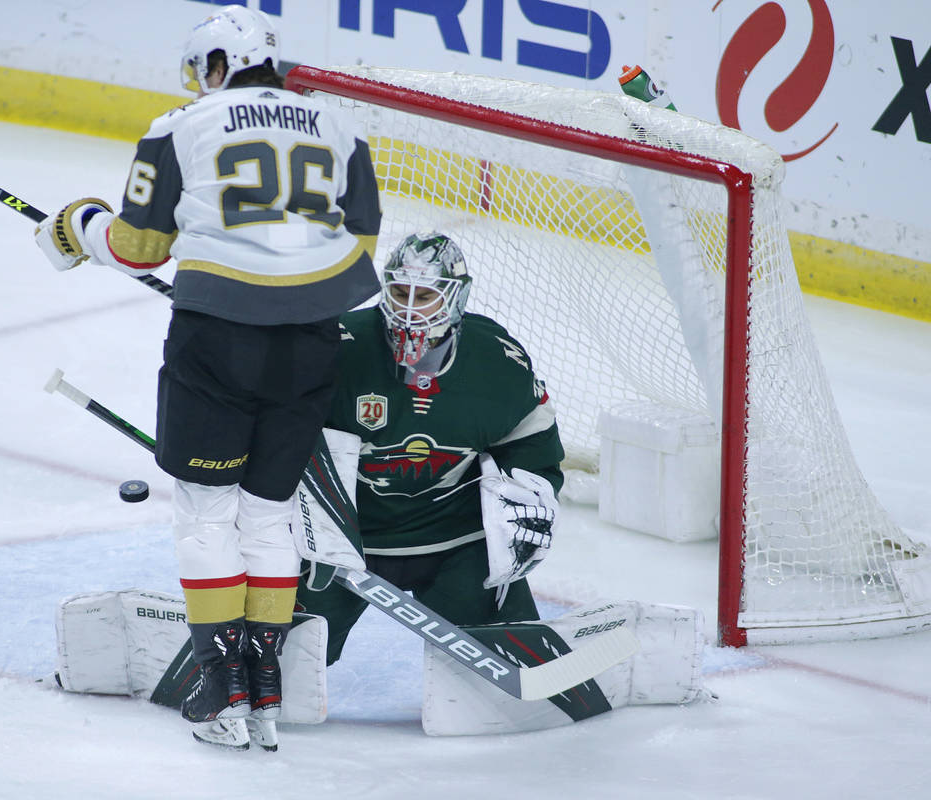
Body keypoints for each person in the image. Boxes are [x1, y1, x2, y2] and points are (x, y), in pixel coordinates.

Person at [34, 4, 382, 751]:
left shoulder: (178, 128)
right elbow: (359, 246)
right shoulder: (343, 130)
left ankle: (217, 680)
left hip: (217, 343)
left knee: (204, 514)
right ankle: (264, 682)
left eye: (203, 71)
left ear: (218, 64)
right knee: (267, 515)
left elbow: (138, 245)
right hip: (313, 344)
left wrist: (77, 229)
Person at [296, 232, 565, 665]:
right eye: (401, 291)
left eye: (426, 294)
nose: (408, 307)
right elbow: (278, 432)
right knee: (287, 665)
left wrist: (531, 493)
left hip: (455, 541)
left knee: (509, 663)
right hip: (343, 543)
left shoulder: (494, 359)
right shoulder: (336, 347)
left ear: (457, 297)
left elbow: (531, 441)